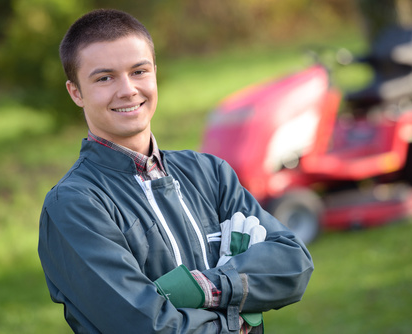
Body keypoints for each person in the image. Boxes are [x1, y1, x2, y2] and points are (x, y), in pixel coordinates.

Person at [38, 8, 314, 334]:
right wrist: (236, 318)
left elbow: (293, 264)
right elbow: (146, 326)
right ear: (76, 92)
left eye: (138, 71)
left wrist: (203, 288)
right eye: (105, 78)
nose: (127, 90)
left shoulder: (209, 173)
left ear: (154, 72)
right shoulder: (73, 205)